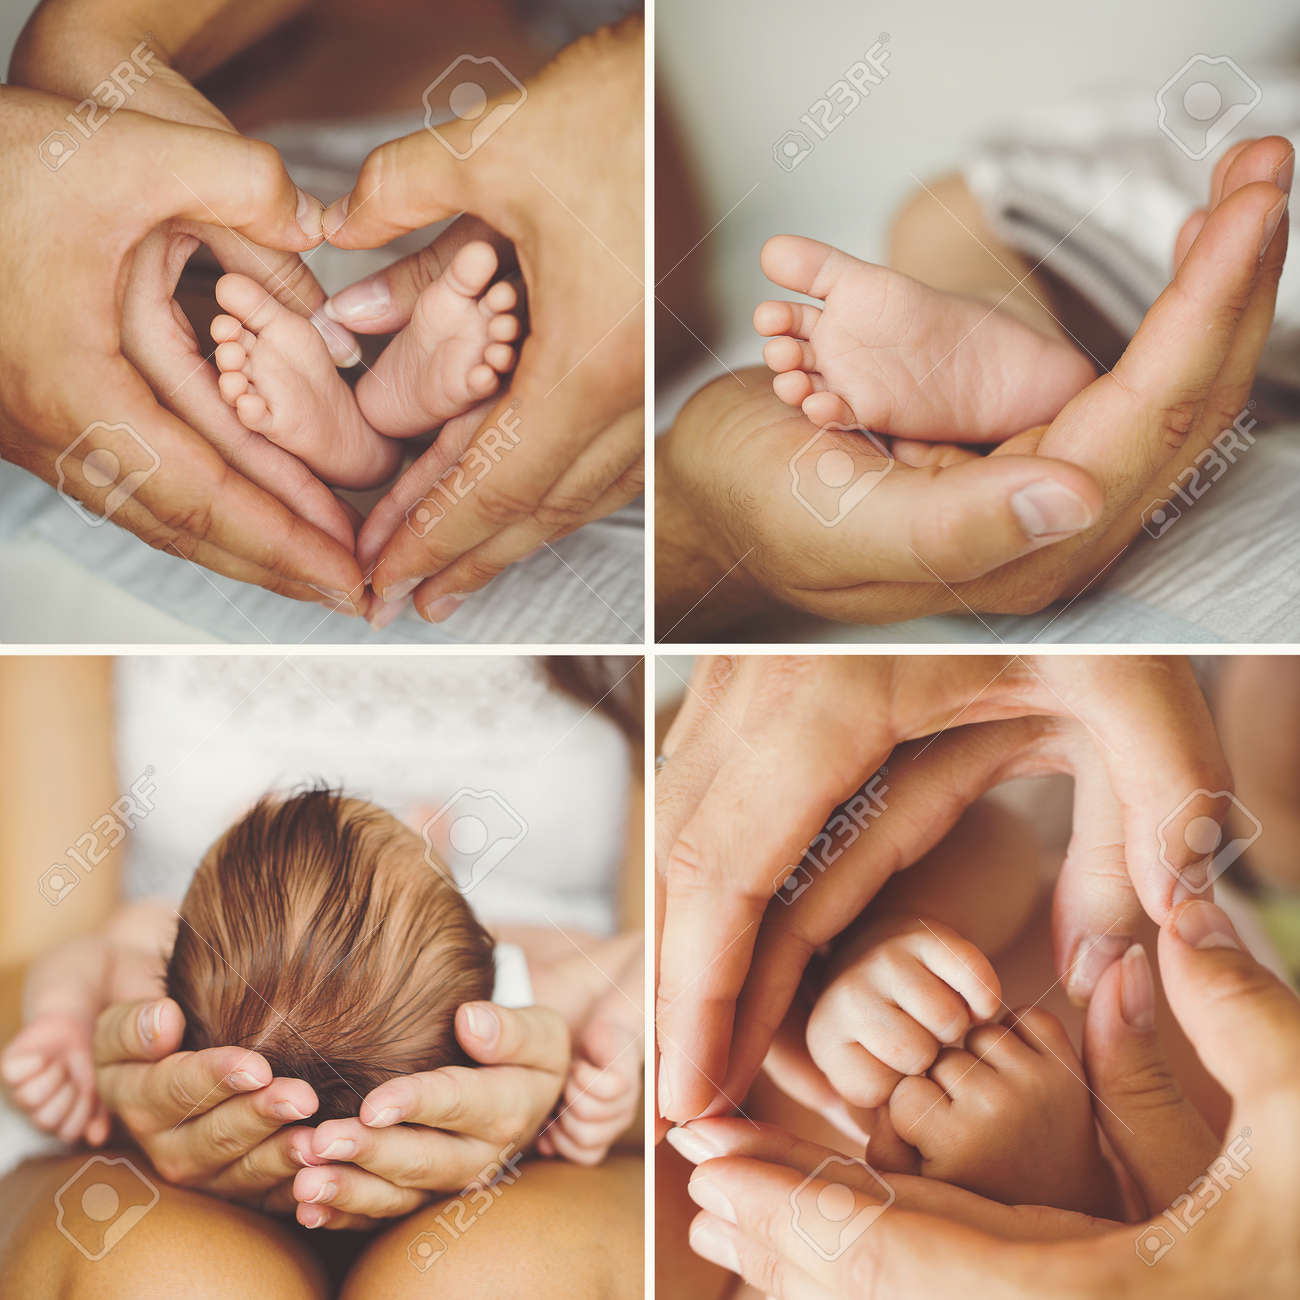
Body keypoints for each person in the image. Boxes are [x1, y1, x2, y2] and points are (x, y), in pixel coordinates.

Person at [655, 136, 1292, 636]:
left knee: (952, 211)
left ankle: (1000, 314)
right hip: (1126, 197)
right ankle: (996, 309)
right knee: (958, 209)